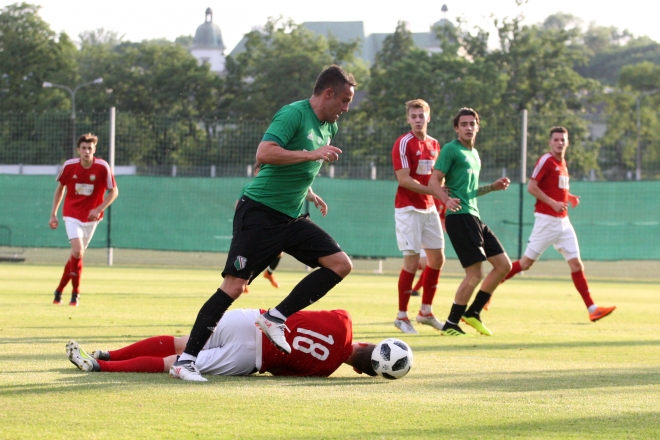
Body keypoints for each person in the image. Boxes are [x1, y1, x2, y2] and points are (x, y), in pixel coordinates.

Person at [170, 65, 357, 381]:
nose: (346, 108)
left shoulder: (329, 127)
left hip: (291, 217)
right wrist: (311, 154)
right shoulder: (293, 114)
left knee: (340, 264)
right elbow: (265, 153)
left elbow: (297, 171)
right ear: (328, 93)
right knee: (234, 286)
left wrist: (311, 193)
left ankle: (276, 317)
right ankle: (185, 361)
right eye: (344, 100)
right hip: (259, 213)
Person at [499, 126, 616, 322]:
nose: (560, 142)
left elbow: (554, 188)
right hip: (546, 220)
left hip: (563, 222)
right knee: (526, 263)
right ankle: (487, 290)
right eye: (556, 139)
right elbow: (531, 187)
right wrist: (552, 203)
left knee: (577, 264)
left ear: (567, 143)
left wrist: (568, 197)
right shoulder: (546, 160)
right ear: (550, 142)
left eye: (563, 139)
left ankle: (592, 309)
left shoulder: (562, 163)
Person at [66, 308, 378, 379]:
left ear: (366, 342)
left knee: (180, 342)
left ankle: (107, 352)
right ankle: (99, 364)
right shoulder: (324, 372)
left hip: (252, 320)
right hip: (252, 355)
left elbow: (301, 311)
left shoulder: (344, 319)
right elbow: (280, 373)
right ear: (360, 371)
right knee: (174, 364)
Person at [429, 107, 512, 336]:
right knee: (474, 273)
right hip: (459, 218)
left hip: (474, 216)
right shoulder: (450, 149)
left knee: (504, 265)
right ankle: (451, 323)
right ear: (456, 128)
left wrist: (492, 188)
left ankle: (473, 313)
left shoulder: (474, 155)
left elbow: (469, 192)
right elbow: (433, 181)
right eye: (463, 124)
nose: (468, 127)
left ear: (477, 127)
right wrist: (445, 200)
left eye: (472, 123)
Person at [391, 99, 446, 334]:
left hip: (429, 208)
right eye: (413, 116)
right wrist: (435, 191)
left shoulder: (435, 144)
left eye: (421, 116)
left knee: (437, 260)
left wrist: (442, 191)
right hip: (408, 209)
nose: (417, 120)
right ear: (408, 119)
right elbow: (404, 179)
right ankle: (402, 316)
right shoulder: (403, 143)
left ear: (428, 117)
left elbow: (437, 178)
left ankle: (425, 312)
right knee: (412, 263)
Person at [49, 133, 119, 306]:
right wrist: (53, 214)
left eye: (90, 148)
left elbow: (114, 191)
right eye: (84, 148)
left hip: (91, 218)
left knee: (76, 255)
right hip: (71, 214)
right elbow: (60, 189)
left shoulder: (102, 167)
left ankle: (59, 291)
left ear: (94, 150)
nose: (87, 151)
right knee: (78, 250)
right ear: (78, 150)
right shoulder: (69, 166)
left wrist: (98, 208)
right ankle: (76, 293)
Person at [236, 162, 283, 293]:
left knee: (279, 252)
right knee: (250, 253)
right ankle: (242, 281)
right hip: (253, 225)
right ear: (255, 172)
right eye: (260, 171)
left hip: (270, 224)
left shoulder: (274, 187)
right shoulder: (249, 186)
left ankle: (269, 273)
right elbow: (238, 205)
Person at [411, 197, 446, 296]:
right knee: (425, 264)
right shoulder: (427, 196)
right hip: (421, 235)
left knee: (433, 263)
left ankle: (415, 289)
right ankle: (411, 288)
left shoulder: (443, 200)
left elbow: (442, 220)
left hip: (432, 237)